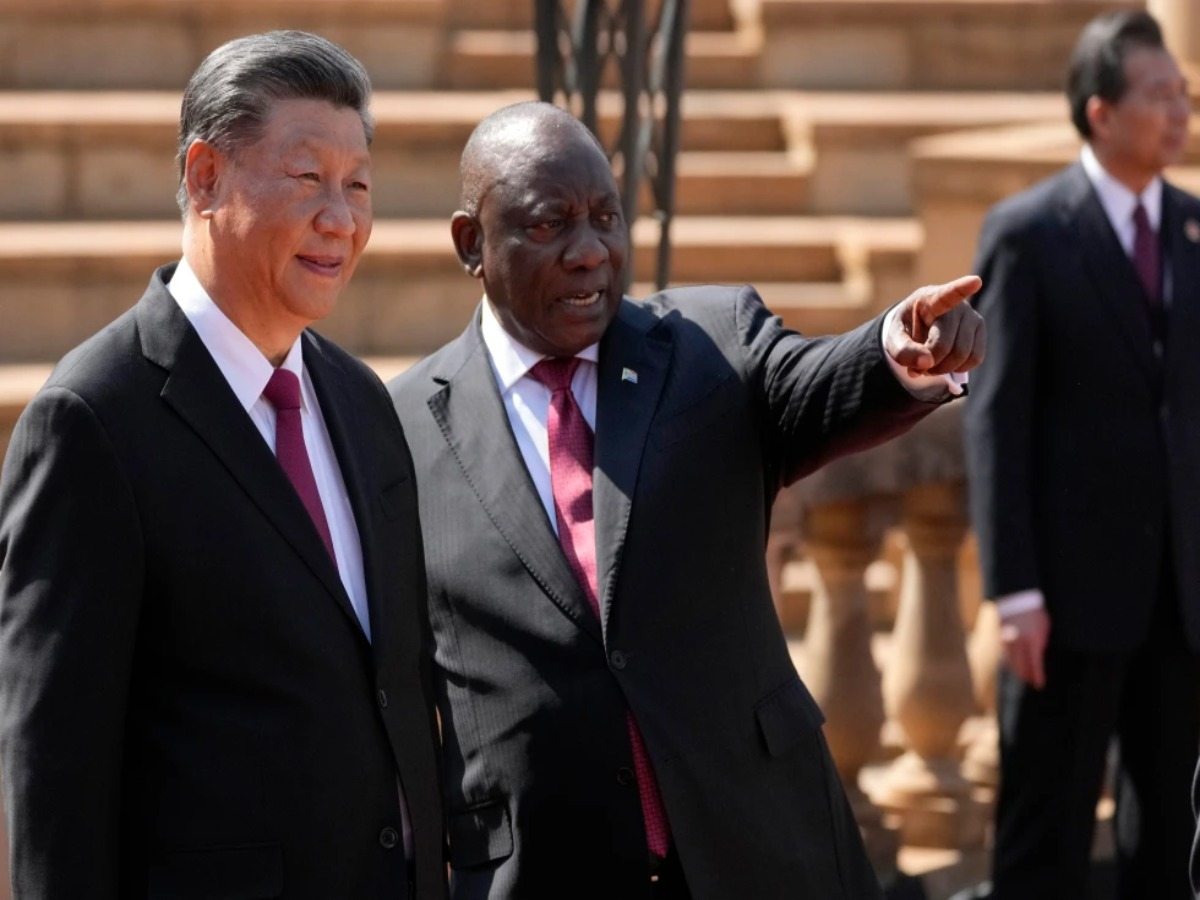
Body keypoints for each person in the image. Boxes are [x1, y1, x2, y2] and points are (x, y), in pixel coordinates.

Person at [389, 99, 985, 899]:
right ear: (473, 242)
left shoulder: (710, 344)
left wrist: (896, 353)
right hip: (544, 870)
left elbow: (814, 385)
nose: (589, 252)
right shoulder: (398, 429)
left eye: (606, 218)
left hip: (762, 849)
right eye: (550, 224)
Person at [0, 31, 444, 898]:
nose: (341, 219)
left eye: (358, 186)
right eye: (308, 177)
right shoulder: (92, 419)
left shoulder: (361, 401)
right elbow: (56, 778)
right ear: (204, 177)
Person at [962, 11, 1200, 899]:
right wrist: (1014, 591)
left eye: (1184, 93)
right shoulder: (1028, 233)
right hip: (1063, 600)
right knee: (1045, 838)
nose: (1179, 112)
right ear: (1101, 112)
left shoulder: (1192, 230)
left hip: (1180, 599)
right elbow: (997, 418)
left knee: (1170, 841)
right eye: (1159, 94)